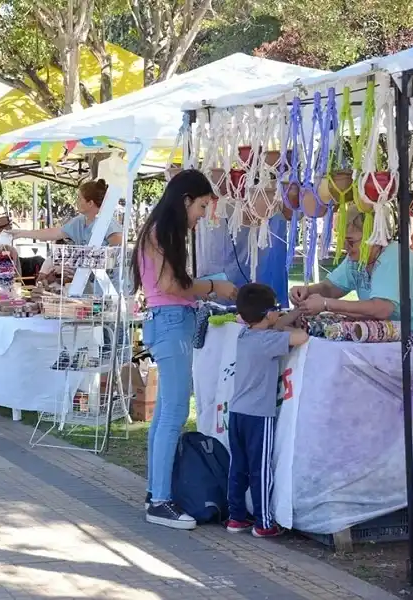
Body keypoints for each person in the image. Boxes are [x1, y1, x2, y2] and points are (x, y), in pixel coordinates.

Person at [132, 169, 237, 530]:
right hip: (171, 322)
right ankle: (160, 500)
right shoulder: (163, 231)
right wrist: (213, 287)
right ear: (186, 200)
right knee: (174, 411)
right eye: (202, 206)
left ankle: (156, 492)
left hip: (172, 321)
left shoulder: (161, 230)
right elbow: (172, 285)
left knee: (166, 411)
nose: (203, 215)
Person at [226, 283, 308, 538]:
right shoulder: (269, 341)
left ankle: (236, 517)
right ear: (269, 313)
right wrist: (294, 322)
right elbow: (301, 338)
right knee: (260, 469)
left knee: (237, 466)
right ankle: (263, 522)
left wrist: (296, 312)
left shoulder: (245, 334)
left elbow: (276, 324)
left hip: (237, 413)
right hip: (259, 417)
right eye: (276, 309)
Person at [291, 206, 413, 333]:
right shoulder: (358, 259)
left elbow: (381, 308)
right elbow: (331, 288)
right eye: (343, 240)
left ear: (374, 238)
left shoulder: (393, 257)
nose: (345, 246)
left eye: (351, 241)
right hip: (399, 333)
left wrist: (326, 304)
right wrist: (307, 291)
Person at [11, 179, 123, 247]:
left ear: (90, 203)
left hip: (109, 285)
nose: (76, 202)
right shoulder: (79, 222)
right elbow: (53, 233)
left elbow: (119, 253)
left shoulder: (109, 224)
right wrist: (21, 233)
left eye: (79, 199)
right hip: (88, 283)